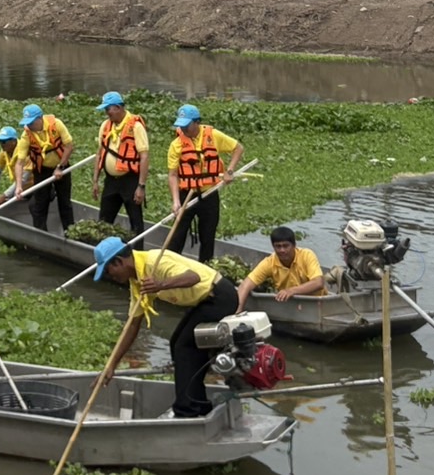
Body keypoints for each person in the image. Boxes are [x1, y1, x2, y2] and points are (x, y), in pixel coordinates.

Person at [93, 235, 239, 418]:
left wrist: (160, 284)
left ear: (117, 262)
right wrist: (111, 365)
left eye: (108, 271)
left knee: (184, 347)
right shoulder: (137, 281)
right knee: (176, 342)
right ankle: (197, 403)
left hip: (219, 297)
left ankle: (188, 410)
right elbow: (132, 326)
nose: (110, 277)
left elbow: (192, 277)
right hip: (203, 302)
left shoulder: (155, 261)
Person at [164, 105, 244, 262]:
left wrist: (230, 170)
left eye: (187, 125)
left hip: (209, 195)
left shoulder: (213, 136)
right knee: (176, 236)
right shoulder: (176, 145)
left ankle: (206, 270)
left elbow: (238, 148)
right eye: (181, 125)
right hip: (186, 194)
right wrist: (176, 201)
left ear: (196, 122)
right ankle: (169, 267)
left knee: (207, 237)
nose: (184, 129)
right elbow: (173, 175)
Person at [91, 91, 149, 234]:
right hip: (111, 182)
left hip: (130, 181)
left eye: (107, 109)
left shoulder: (136, 127)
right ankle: (105, 251)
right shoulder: (105, 126)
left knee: (136, 222)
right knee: (104, 221)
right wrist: (95, 180)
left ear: (117, 107)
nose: (106, 113)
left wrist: (141, 186)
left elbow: (144, 157)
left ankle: (137, 252)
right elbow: (99, 154)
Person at [12, 103, 74, 231]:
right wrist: (19, 185)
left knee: (65, 203)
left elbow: (69, 146)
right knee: (40, 204)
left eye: (31, 123)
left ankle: (70, 233)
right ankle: (41, 232)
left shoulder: (57, 125)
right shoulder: (26, 134)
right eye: (27, 123)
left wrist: (60, 167)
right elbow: (20, 162)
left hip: (61, 166)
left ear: (40, 119)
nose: (28, 126)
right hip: (42, 170)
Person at [237, 226, 325, 310]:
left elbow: (318, 283)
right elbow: (245, 285)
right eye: (278, 246)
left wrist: (291, 291)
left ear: (294, 245)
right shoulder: (269, 262)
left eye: (286, 246)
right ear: (273, 247)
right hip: (289, 305)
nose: (282, 250)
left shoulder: (307, 255)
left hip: (316, 304)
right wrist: (238, 310)